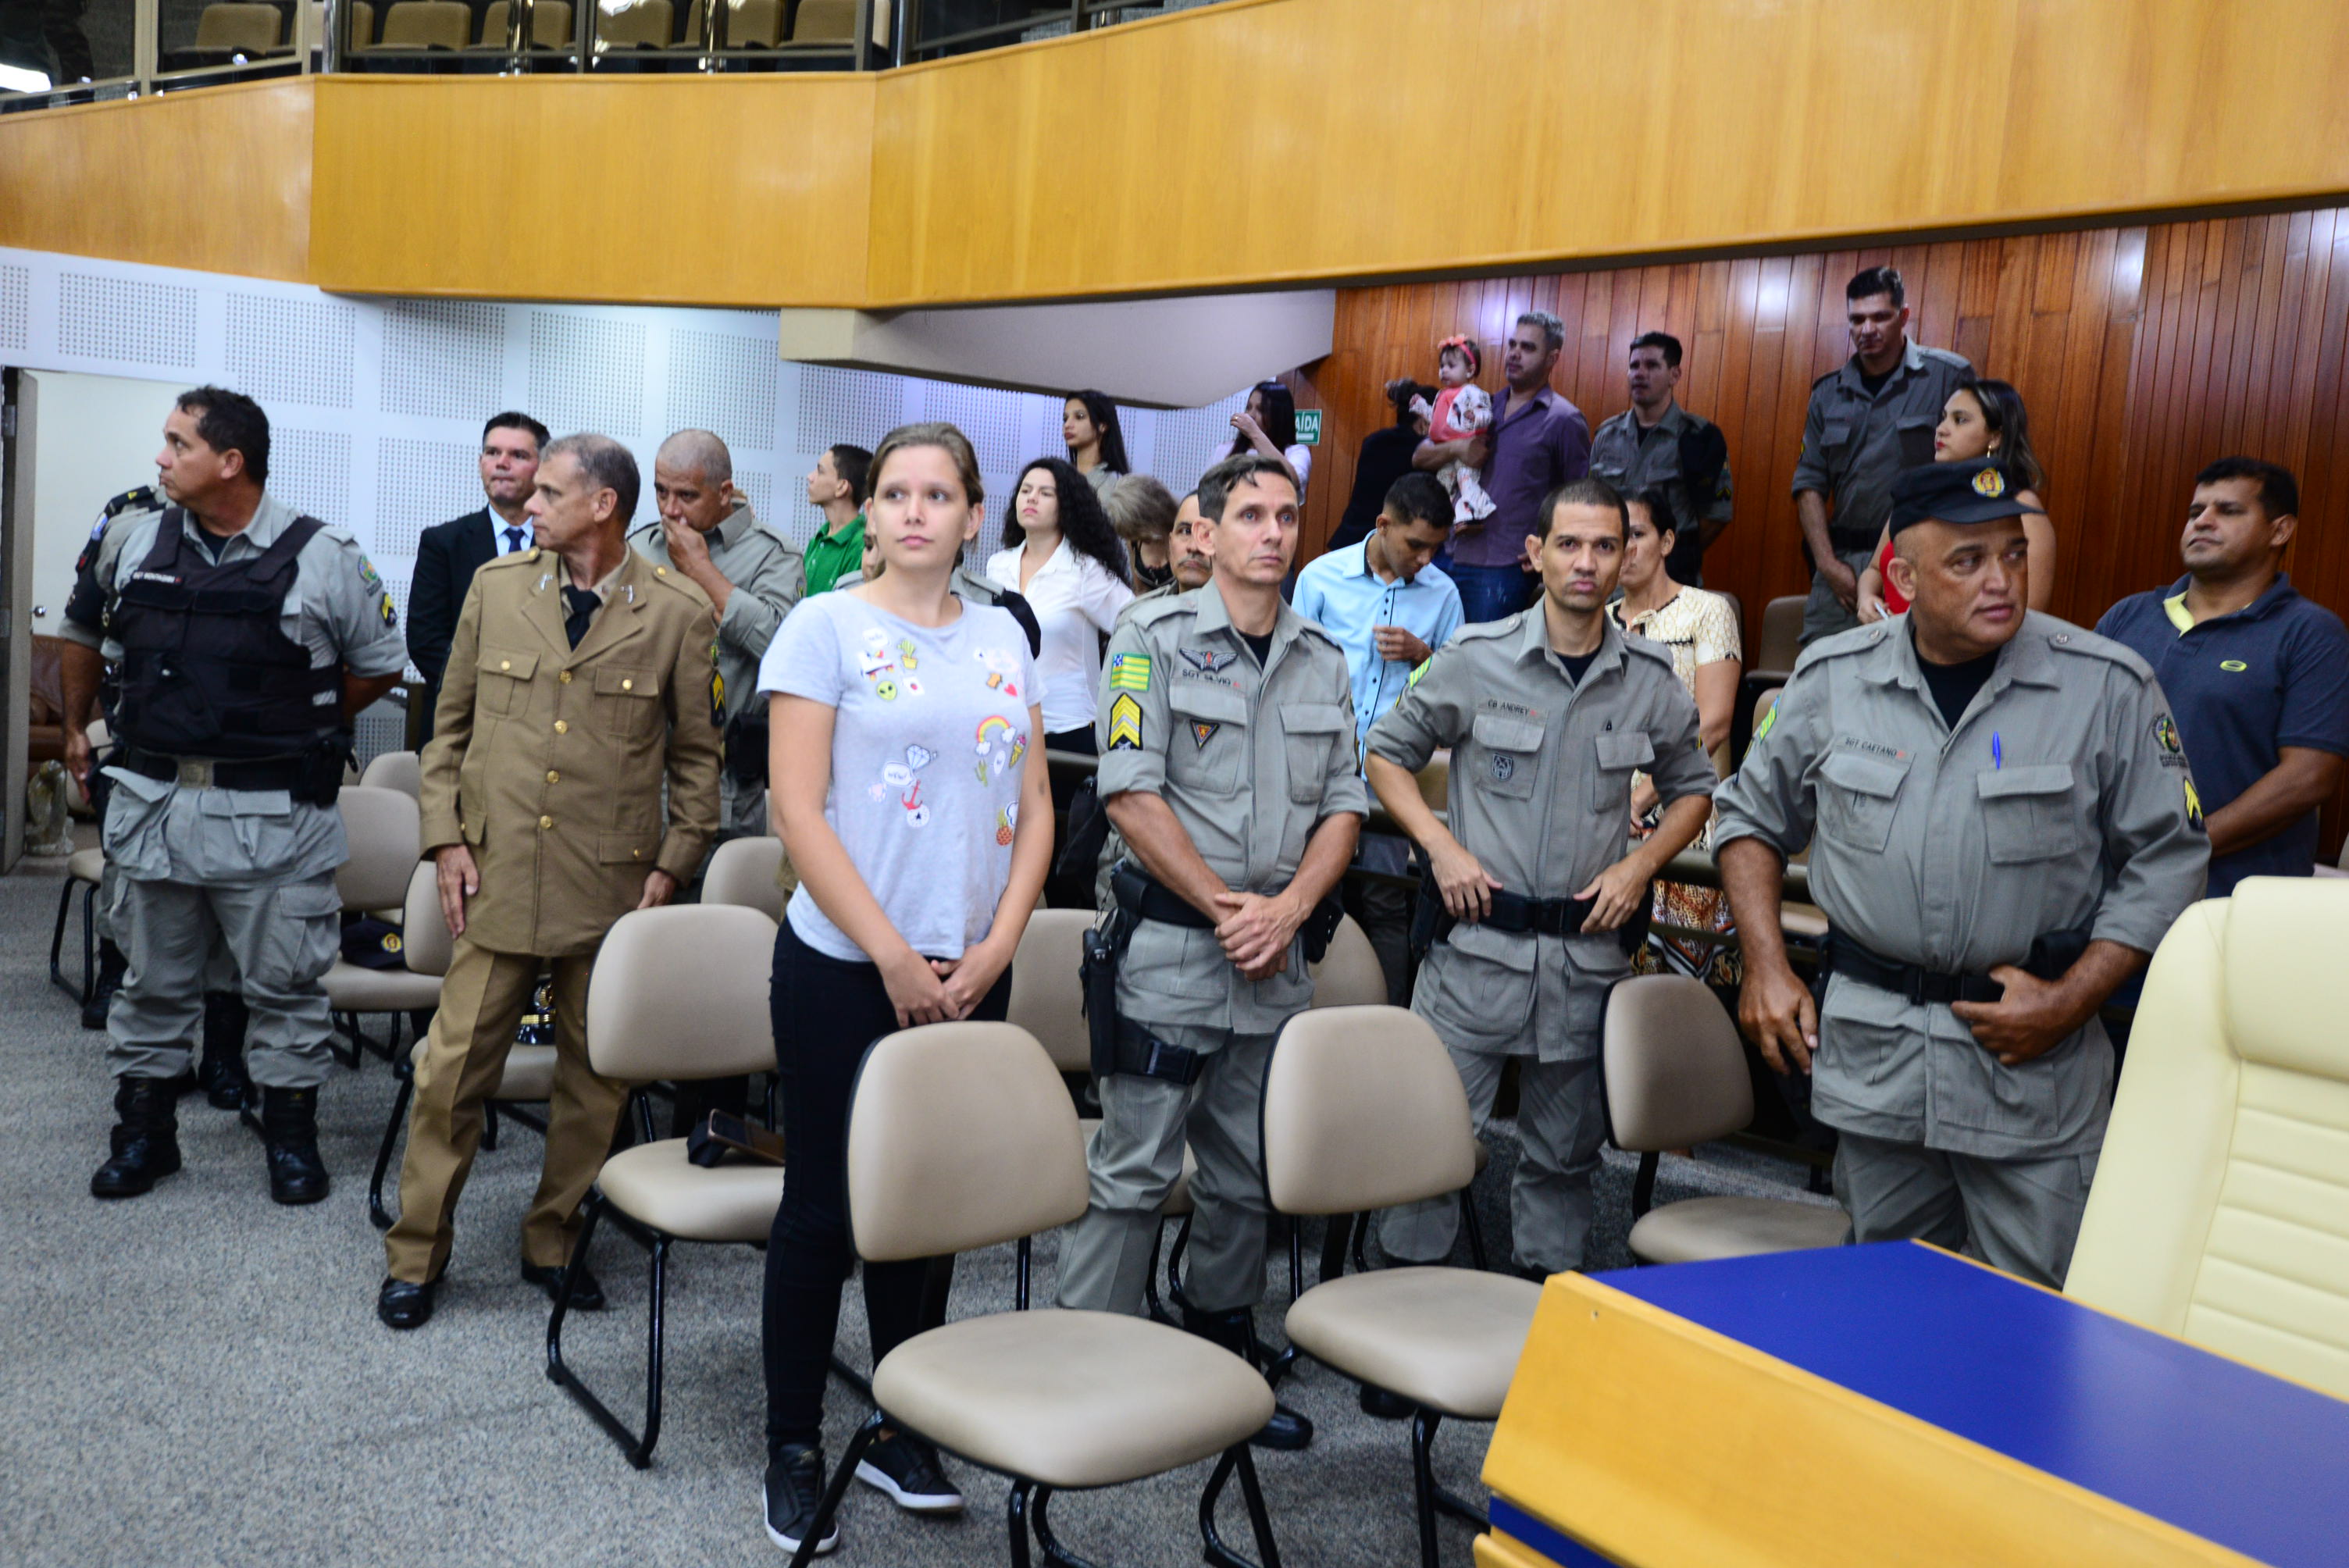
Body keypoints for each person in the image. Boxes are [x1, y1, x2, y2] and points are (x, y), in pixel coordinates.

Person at [1716, 458, 2208, 1288]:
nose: (2001, 580)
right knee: (1884, 1301)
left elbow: (2170, 857)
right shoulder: (1833, 678)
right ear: (1903, 579)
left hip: (2029, 1073)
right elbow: (1748, 820)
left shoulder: (2105, 686)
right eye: (1968, 561)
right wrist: (1765, 964)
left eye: (2013, 554)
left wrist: (2072, 998)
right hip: (1878, 1064)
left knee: (2029, 1317)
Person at [756, 422, 1052, 1556]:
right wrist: (890, 953)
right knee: (826, 1211)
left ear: (975, 516)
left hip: (973, 964)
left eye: (938, 494)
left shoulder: (1003, 633)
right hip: (845, 964)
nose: (915, 511)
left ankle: (898, 1423)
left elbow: (1034, 802)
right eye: (894, 493)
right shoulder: (823, 625)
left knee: (928, 1210)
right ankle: (793, 1445)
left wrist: (999, 943)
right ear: (870, 514)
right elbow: (797, 810)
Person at [378, 433, 723, 1331]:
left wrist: (673, 864)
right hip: (494, 879)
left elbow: (696, 760)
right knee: (450, 1075)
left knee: (594, 1082)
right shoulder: (496, 590)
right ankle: (416, 1252)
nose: (527, 505)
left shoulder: (677, 612)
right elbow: (446, 730)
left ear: (602, 506)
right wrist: (444, 840)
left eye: (548, 493)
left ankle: (555, 1237)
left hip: (612, 889)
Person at [1056, 451, 1364, 1454]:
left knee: (1245, 1173)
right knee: (1135, 1168)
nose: (1271, 533)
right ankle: (1085, 1363)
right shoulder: (1150, 639)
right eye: (1249, 516)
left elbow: (1344, 806)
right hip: (1173, 954)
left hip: (1273, 961)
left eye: (1286, 516)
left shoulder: (1321, 656)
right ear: (1208, 531)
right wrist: (1234, 910)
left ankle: (1222, 1345)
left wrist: (1288, 912)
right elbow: (1129, 792)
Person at [59, 387, 408, 1203]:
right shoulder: (132, 539)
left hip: (275, 819)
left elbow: (378, 665)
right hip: (155, 810)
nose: (161, 457)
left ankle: (290, 1140)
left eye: (178, 443)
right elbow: (85, 631)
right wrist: (77, 726)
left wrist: (293, 721)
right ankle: (144, 1136)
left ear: (230, 462)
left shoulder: (324, 555)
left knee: (285, 988)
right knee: (149, 985)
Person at [1368, 477, 1714, 1279]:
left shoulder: (1648, 676)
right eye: (1569, 544)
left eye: (1605, 545)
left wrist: (1640, 865)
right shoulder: (1474, 657)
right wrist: (1438, 845)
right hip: (1473, 958)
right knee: (1428, 1146)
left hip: (1583, 964)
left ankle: (1540, 1309)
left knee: (1564, 1161)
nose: (1586, 562)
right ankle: (1399, 1312)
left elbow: (1695, 786)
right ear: (1535, 553)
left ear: (1626, 556)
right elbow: (1385, 754)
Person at [2096, 458, 2349, 898]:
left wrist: (2181, 846)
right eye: (2196, 512)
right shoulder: (2129, 615)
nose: (2203, 522)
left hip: (2233, 896)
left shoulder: (2310, 633)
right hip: (2108, 886)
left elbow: (2308, 778)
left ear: (2280, 530)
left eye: (2228, 511)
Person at [1292, 471, 1462, 1003]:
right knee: (1317, 891)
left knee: (1386, 900)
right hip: (1321, 767)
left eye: (1436, 548)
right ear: (1383, 525)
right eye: (1415, 545)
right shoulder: (1321, 578)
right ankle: (1309, 1017)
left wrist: (1422, 655)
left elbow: (1458, 691)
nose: (1425, 559)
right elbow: (1290, 671)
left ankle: (1390, 1021)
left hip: (1393, 775)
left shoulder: (1443, 593)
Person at [629, 429, 805, 839]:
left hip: (719, 793)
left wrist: (702, 572)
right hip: (637, 783)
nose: (671, 510)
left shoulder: (773, 555)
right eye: (661, 492)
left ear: (724, 492)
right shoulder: (641, 547)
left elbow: (784, 651)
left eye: (687, 495)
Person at [1792, 266, 1973, 645]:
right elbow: (1808, 483)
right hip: (1842, 565)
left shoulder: (1947, 377)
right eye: (1857, 320)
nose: (1867, 329)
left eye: (1880, 317)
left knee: (1916, 665)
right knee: (1820, 666)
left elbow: (1970, 469)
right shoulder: (1828, 393)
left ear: (1903, 317)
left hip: (1918, 558)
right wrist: (1827, 564)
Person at [1606, 487, 1742, 985]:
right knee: (1603, 978)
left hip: (1684, 811)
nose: (1624, 550)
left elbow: (1715, 723)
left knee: (1681, 993)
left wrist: (1641, 798)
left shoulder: (1708, 611)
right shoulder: (1598, 621)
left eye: (1636, 535)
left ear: (1666, 542)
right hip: (1605, 817)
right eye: (1613, 539)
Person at [986, 457, 1134, 905]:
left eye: (1045, 492)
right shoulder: (997, 566)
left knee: (1065, 870)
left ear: (1066, 504)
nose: (1030, 499)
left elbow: (1137, 627)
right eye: (1025, 490)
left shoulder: (1085, 570)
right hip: (1006, 731)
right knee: (1005, 861)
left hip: (1069, 733)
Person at [1417, 311, 1591, 624]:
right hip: (1446, 552)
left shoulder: (1564, 420)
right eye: (1512, 344)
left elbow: (1578, 498)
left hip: (1503, 566)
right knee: (1434, 651)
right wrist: (1457, 448)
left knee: (1483, 653)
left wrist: (1553, 546)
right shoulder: (1480, 403)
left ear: (1552, 358)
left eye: (1528, 347)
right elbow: (1419, 456)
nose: (1514, 353)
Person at [1857, 379, 2055, 623]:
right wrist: (1866, 597)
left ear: (1995, 437)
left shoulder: (2021, 505)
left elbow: (2029, 613)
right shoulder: (1918, 492)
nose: (1941, 429)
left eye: (1960, 420)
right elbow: (1875, 569)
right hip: (1893, 637)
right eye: (1943, 418)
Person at [408, 412, 550, 743]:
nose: (502, 463)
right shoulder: (443, 543)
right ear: (480, 462)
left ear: (543, 469)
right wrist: (500, 693)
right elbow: (425, 641)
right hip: (461, 726)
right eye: (492, 452)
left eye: (518, 455)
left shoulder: (563, 547)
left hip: (541, 728)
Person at [1587, 332, 1734, 587]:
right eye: (1634, 366)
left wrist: (1669, 553)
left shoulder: (1700, 437)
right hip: (1609, 577)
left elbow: (1716, 515)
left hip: (1669, 578)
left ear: (1674, 375)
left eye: (1652, 365)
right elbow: (1592, 504)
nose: (1640, 373)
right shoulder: (1607, 435)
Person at [1329, 378, 1435, 553]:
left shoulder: (1372, 441)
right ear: (1423, 420)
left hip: (1348, 539)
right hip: (1380, 547)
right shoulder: (1423, 452)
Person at [1411, 336, 1495, 524]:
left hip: (1468, 449)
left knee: (1467, 483)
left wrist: (1477, 418)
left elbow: (1486, 413)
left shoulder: (1472, 392)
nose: (1444, 370)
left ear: (1470, 370)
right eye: (1442, 366)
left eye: (1451, 365)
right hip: (1445, 452)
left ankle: (1472, 516)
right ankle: (1442, 517)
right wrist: (1422, 407)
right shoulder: (1442, 394)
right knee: (1443, 485)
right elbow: (1437, 420)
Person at [800, 443, 872, 598]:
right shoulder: (820, 537)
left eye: (820, 471)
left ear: (842, 487)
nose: (810, 477)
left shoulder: (861, 545)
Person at [1226, 380, 1314, 497]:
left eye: (1261, 410)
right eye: (1249, 407)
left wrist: (1254, 433)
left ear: (1279, 416)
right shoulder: (1226, 449)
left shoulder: (1297, 452)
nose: (1250, 415)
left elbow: (1293, 481)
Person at [1105, 472, 1179, 593]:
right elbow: (1139, 590)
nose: (1136, 536)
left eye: (1138, 529)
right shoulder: (1134, 541)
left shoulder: (1183, 534)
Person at [1063, 389, 1131, 499]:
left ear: (1102, 426)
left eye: (1080, 417)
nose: (1067, 425)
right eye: (1065, 419)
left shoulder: (1115, 483)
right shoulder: (1059, 475)